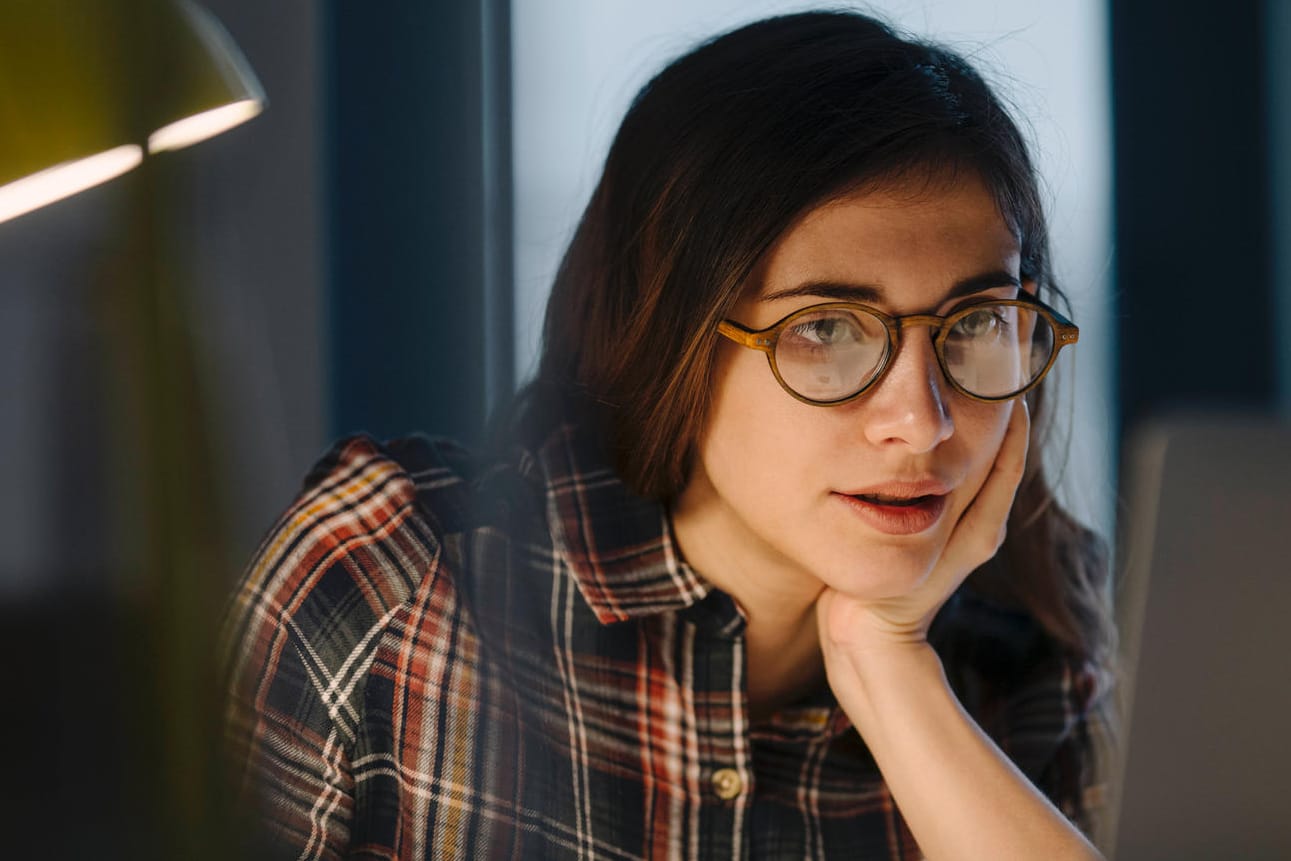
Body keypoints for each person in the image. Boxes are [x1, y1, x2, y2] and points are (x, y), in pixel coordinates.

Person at [221, 10, 1114, 859]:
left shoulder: (1031, 674)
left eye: (973, 323)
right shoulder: (400, 577)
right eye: (826, 331)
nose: (921, 420)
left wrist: (888, 668)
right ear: (671, 335)